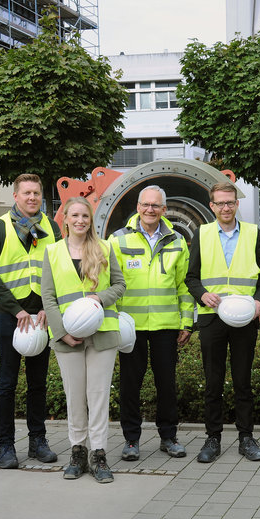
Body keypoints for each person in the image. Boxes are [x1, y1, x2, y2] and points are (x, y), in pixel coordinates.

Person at [42, 197, 126, 482]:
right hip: (68, 336)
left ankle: (99, 453)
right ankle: (78, 451)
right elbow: (48, 297)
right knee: (75, 396)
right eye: (74, 215)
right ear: (65, 219)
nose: (80, 221)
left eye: (85, 217)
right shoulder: (52, 252)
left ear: (91, 220)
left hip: (102, 334)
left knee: (98, 396)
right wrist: (61, 332)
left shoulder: (104, 248)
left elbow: (119, 285)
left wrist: (99, 298)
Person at [185, 181, 260, 463]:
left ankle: (246, 437)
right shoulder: (202, 233)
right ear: (212, 206)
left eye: (230, 202)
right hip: (212, 319)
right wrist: (202, 295)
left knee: (242, 381)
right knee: (213, 382)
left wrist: (259, 300)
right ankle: (213, 438)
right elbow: (191, 278)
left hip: (245, 319)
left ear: (236, 204)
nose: (225, 207)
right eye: (220, 203)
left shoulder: (252, 233)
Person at [0, 173, 60, 469]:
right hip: (8, 316)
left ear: (41, 196)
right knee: (6, 383)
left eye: (36, 193)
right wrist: (16, 310)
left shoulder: (51, 228)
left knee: (38, 383)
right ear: (15, 196)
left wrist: (49, 310)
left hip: (41, 317)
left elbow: (62, 271)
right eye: (26, 193)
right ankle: (6, 446)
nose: (31, 198)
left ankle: (38, 441)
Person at [109, 185, 193, 461]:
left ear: (164, 209)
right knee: (130, 385)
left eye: (156, 205)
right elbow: (110, 284)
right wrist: (114, 323)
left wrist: (187, 322)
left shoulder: (177, 241)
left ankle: (168, 437)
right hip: (130, 327)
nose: (150, 210)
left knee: (166, 385)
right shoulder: (118, 240)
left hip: (166, 326)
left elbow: (183, 286)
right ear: (138, 207)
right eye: (145, 204)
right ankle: (131, 440)